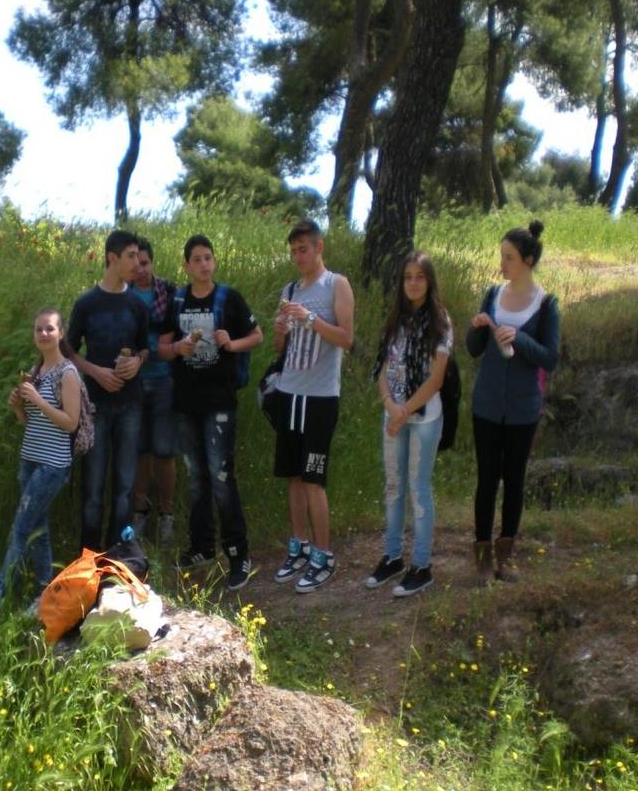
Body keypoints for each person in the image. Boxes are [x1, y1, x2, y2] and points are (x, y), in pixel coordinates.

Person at [158, 234, 263, 590]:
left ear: (214, 262)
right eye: (197, 259)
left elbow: (257, 336)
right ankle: (202, 547)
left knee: (221, 477)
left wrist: (231, 344)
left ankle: (238, 554)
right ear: (186, 266)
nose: (203, 264)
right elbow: (162, 347)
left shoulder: (229, 298)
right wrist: (178, 347)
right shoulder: (177, 300)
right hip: (186, 402)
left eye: (208, 258)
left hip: (219, 401)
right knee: (196, 477)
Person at [466, 220, 560, 582]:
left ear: (529, 260)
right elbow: (474, 350)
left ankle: (506, 556)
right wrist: (477, 329)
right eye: (501, 256)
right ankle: (481, 557)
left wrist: (519, 338)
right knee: (486, 479)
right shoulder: (492, 294)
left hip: (523, 408)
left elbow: (550, 357)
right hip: (487, 404)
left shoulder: (547, 304)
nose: (502, 264)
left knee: (514, 479)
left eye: (509, 257)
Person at [0, 308, 81, 614]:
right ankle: (44, 597)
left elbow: (70, 423)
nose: (44, 334)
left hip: (52, 465)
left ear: (61, 333)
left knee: (21, 528)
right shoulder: (36, 373)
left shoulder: (67, 373)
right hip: (30, 460)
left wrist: (37, 399)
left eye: (49, 329)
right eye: (39, 329)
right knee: (39, 530)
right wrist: (20, 407)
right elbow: (32, 423)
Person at [272, 219, 355, 593]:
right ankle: (299, 545)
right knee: (292, 475)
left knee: (313, 477)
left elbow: (347, 338)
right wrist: (280, 329)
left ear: (319, 247)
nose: (298, 257)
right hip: (289, 393)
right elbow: (280, 350)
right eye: (293, 251)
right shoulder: (289, 289)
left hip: (321, 397)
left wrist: (311, 319)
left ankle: (323, 554)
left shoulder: (336, 284)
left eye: (303, 249)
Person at [365, 253, 452, 597]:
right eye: (407, 277)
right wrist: (390, 404)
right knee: (393, 485)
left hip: (424, 416)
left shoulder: (440, 321)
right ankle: (392, 556)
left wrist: (405, 412)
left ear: (429, 281)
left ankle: (422, 565)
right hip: (395, 413)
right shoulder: (395, 320)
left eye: (419, 276)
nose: (413, 283)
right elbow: (383, 368)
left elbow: (436, 378)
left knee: (419, 487)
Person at [67, 229, 149, 550]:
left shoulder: (137, 305)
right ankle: (88, 559)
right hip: (95, 406)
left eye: (139, 257)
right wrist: (95, 371)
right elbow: (69, 350)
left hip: (131, 404)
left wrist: (138, 363)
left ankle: (118, 558)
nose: (137, 263)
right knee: (93, 487)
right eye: (130, 256)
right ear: (112, 258)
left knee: (125, 486)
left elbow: (145, 348)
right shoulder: (86, 303)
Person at [129, 237, 178, 544]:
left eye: (145, 263)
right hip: (132, 381)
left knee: (164, 450)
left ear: (153, 263)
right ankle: (138, 513)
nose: (141, 269)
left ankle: (167, 514)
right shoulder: (123, 294)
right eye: (136, 264)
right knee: (139, 451)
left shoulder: (169, 292)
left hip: (163, 379)